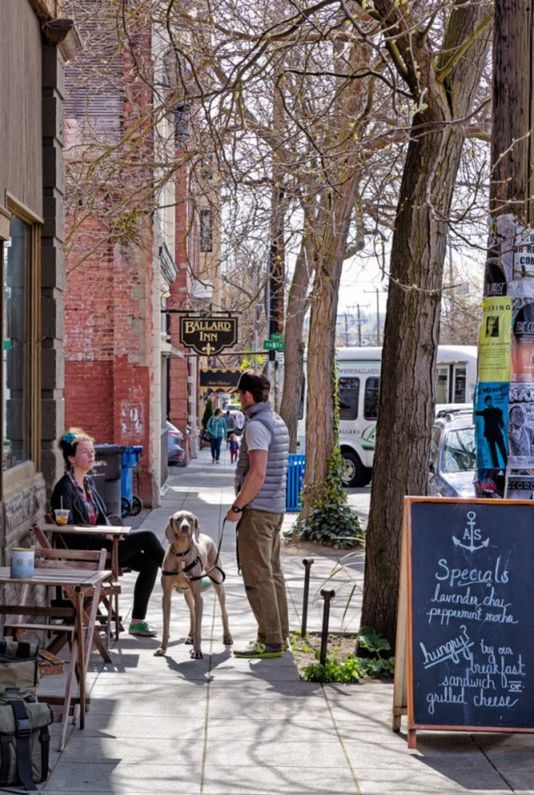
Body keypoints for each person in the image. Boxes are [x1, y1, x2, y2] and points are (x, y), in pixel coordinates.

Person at [51, 428, 165, 637]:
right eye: (85, 452)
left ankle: (138, 621)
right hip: (86, 552)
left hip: (104, 546)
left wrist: (113, 533)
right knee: (148, 537)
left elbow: (102, 517)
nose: (91, 455)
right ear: (71, 458)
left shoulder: (89, 483)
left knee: (149, 562)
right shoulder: (64, 488)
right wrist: (102, 535)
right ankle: (178, 573)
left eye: (92, 451)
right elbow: (66, 532)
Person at [225, 371, 289, 659]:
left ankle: (270, 640)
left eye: (239, 394)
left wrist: (238, 506)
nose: (239, 399)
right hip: (275, 509)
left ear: (247, 395)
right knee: (273, 573)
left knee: (257, 575)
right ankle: (279, 635)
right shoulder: (277, 421)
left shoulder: (255, 427)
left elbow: (258, 472)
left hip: (258, 511)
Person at [475, 395, 507, 468]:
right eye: (487, 401)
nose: (489, 402)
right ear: (486, 403)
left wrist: (504, 429)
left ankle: (507, 464)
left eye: (490, 400)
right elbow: (477, 412)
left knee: (503, 450)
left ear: (492, 401)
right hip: (489, 434)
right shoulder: (485, 411)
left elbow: (501, 422)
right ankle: (496, 467)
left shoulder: (497, 410)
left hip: (497, 433)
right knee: (493, 452)